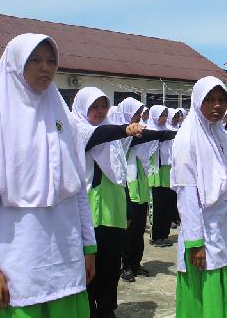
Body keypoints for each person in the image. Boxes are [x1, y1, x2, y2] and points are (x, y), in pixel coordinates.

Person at [0, 33, 95, 317]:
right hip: (19, 267)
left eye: (51, 61)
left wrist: (88, 246)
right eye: (34, 60)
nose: (45, 67)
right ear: (15, 65)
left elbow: (77, 191)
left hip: (67, 259)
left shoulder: (63, 118)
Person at [172, 76, 227, 317]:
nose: (217, 105)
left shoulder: (222, 136)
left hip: (225, 228)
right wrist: (195, 243)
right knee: (207, 297)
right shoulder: (186, 139)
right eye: (209, 100)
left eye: (222, 99)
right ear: (197, 101)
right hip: (202, 232)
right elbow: (187, 195)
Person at [72, 87, 146, 315]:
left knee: (111, 265)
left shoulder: (113, 139)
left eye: (104, 106)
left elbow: (120, 174)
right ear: (82, 107)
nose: (100, 111)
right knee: (88, 268)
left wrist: (127, 209)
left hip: (113, 211)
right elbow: (97, 136)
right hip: (87, 212)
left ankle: (107, 308)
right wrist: (124, 129)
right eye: (94, 106)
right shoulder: (77, 131)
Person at [120, 99, 177, 282]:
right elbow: (154, 136)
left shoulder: (139, 130)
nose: (139, 117)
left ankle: (136, 263)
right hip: (128, 184)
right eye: (136, 113)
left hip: (141, 182)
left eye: (140, 113)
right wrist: (174, 133)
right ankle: (126, 266)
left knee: (138, 228)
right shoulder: (122, 133)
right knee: (129, 229)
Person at [145, 105, 178, 248]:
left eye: (165, 115)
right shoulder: (149, 131)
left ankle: (164, 235)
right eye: (161, 115)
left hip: (167, 172)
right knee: (157, 206)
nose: (164, 118)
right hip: (155, 173)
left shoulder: (169, 130)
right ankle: (155, 236)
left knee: (167, 206)